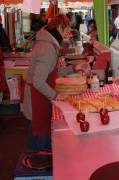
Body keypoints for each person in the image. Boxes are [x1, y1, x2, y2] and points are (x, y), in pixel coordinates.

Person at [21, 13, 87, 152]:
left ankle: (31, 157)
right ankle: (42, 162)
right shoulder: (48, 48)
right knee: (41, 129)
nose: (66, 34)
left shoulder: (48, 42)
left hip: (39, 92)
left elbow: (53, 72)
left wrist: (75, 68)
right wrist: (56, 95)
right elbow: (38, 81)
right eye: (66, 30)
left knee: (35, 128)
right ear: (58, 27)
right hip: (37, 95)